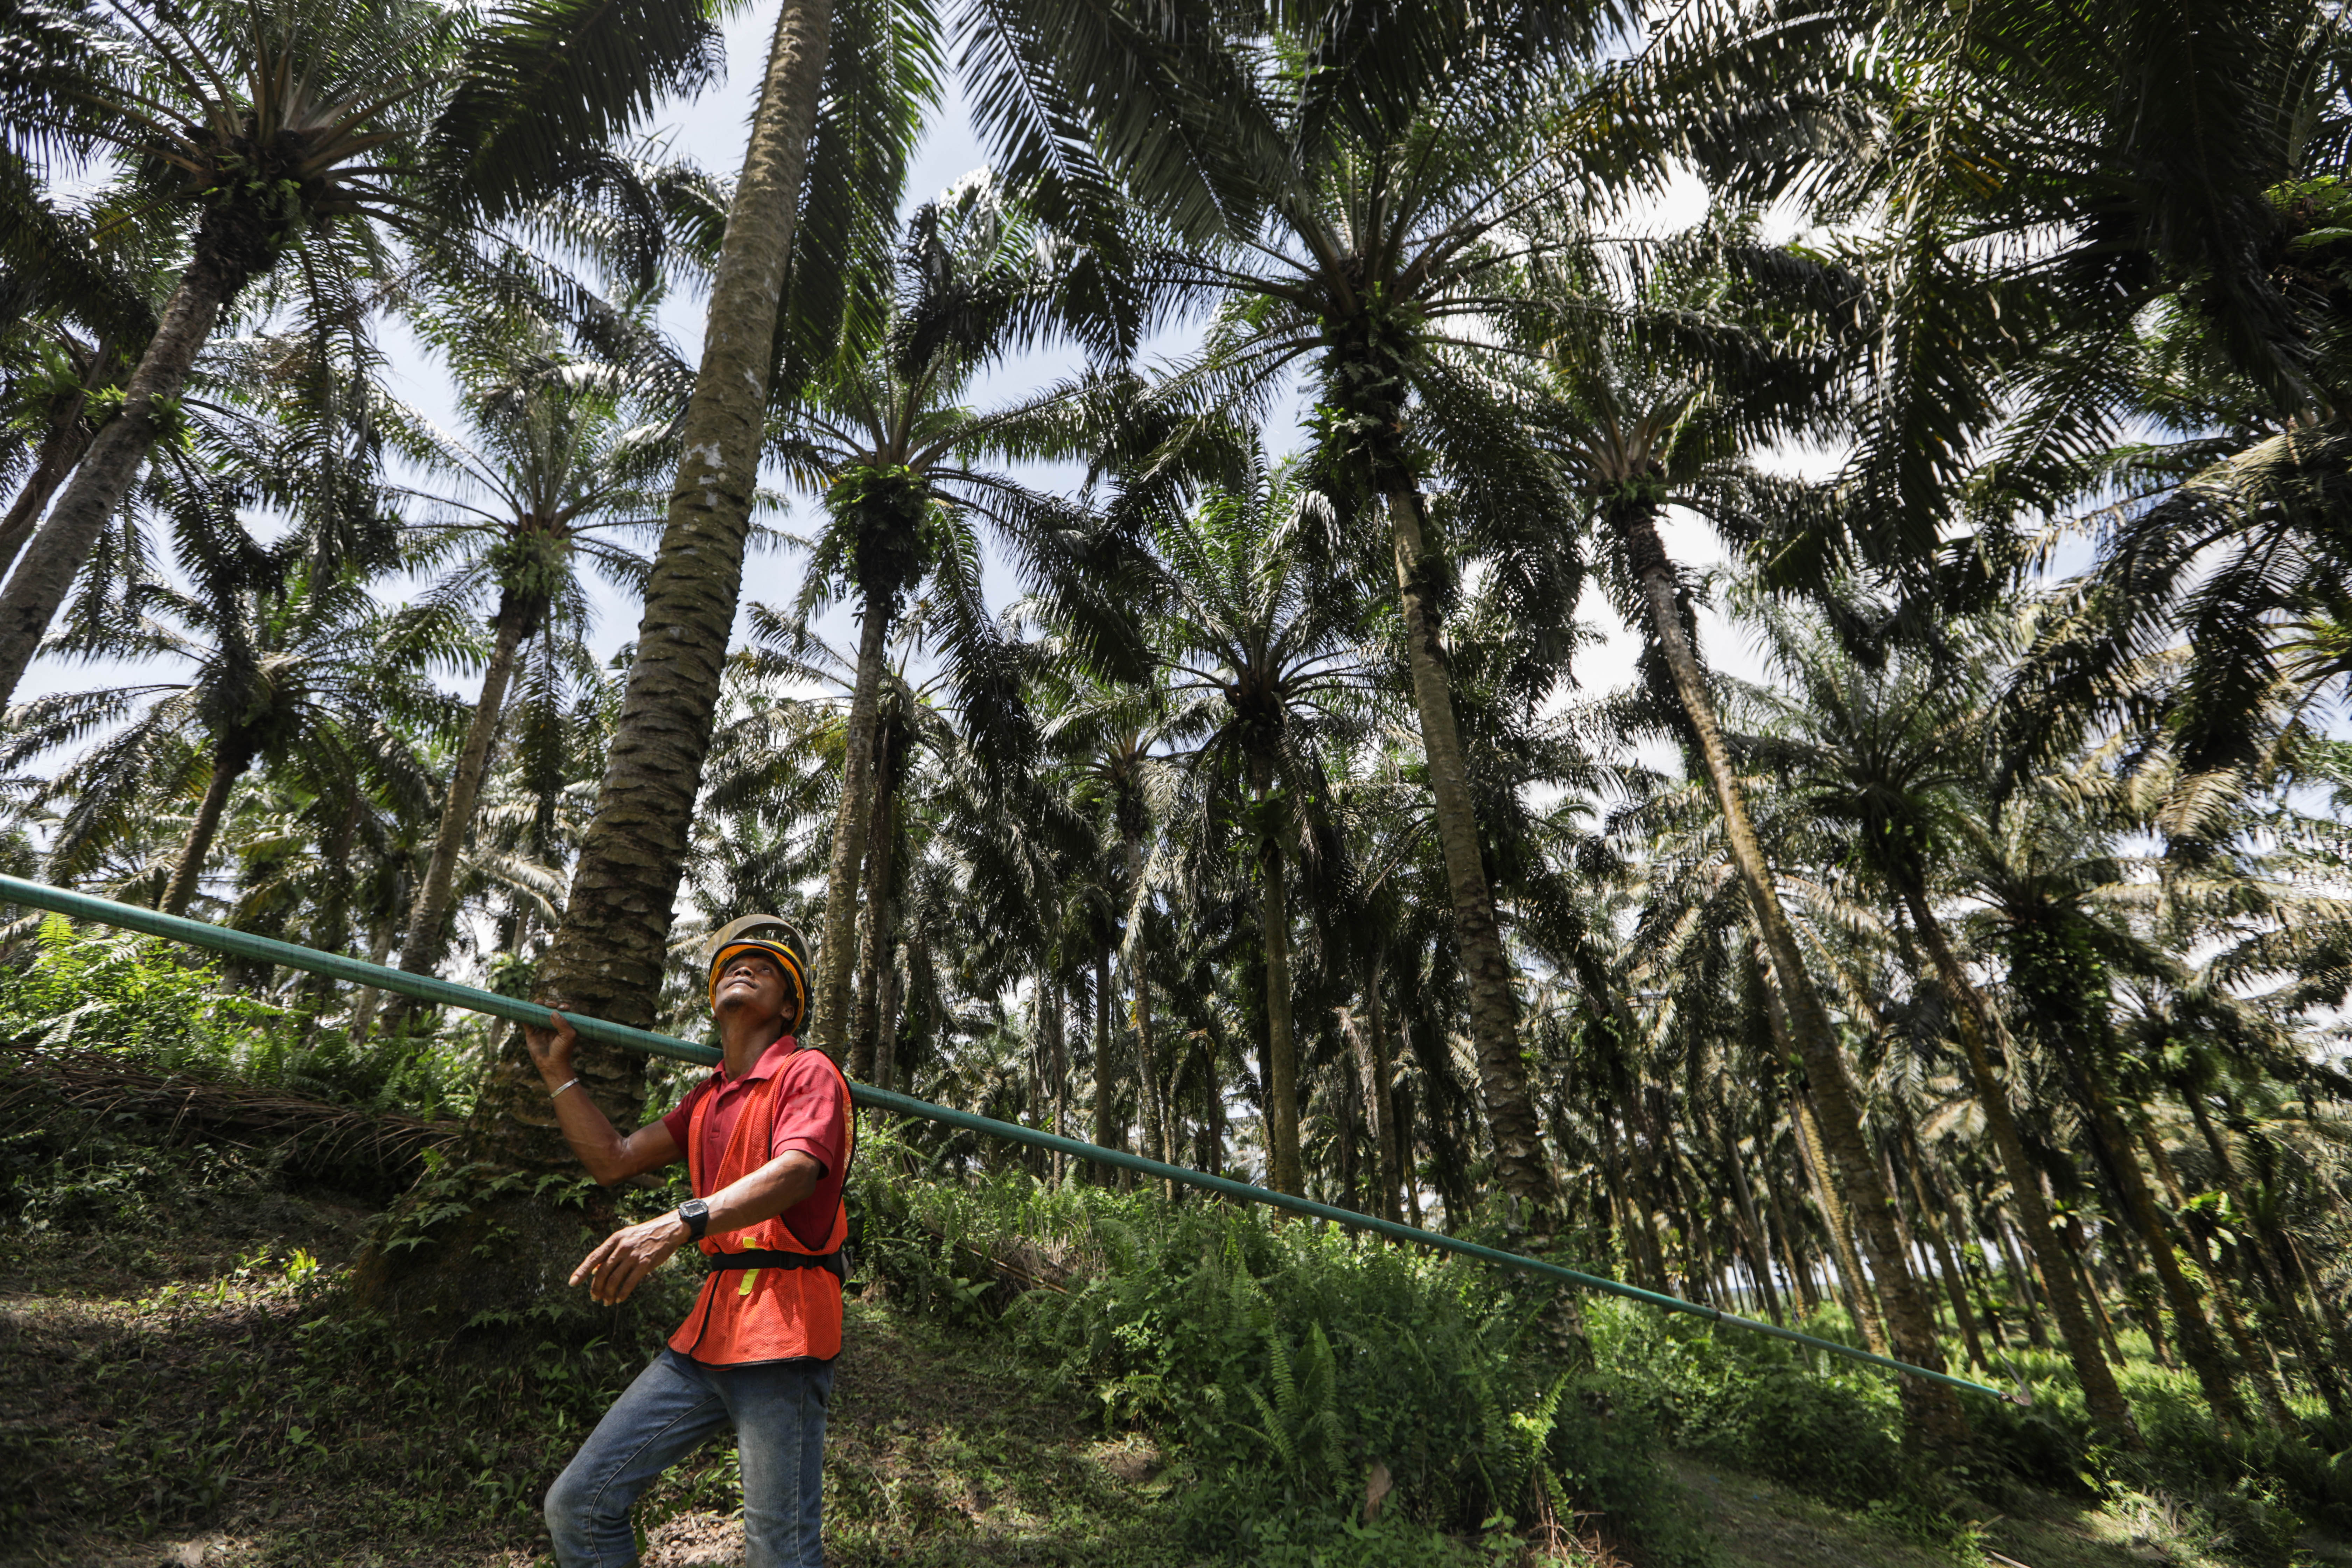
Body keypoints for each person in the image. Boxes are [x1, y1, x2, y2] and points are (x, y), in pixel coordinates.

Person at [521, 917, 851, 1568]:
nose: (743, 967)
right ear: (711, 996)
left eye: (764, 966)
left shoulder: (808, 1072)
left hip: (785, 1329)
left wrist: (680, 1222)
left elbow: (796, 1171)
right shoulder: (708, 1099)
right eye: (732, 963)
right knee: (579, 1505)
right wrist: (558, 1074)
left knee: (777, 1554)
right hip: (710, 1331)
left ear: (789, 1006)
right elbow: (614, 1159)